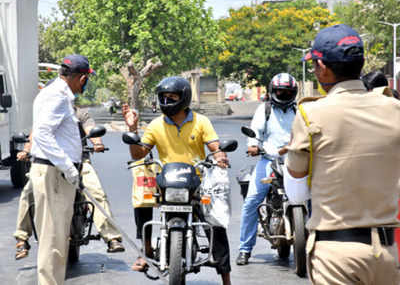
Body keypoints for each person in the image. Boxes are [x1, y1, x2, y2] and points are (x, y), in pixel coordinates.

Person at [284, 24, 400, 284]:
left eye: (314, 66)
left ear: (323, 68)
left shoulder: (311, 113)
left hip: (335, 254)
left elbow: (296, 183)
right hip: (387, 252)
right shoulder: (395, 109)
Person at [122, 76, 232, 285]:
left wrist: (220, 157)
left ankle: (226, 277)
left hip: (197, 183)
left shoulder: (201, 122)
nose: (166, 101)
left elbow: (215, 147)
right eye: (163, 97)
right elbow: (139, 154)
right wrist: (132, 129)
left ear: (184, 98)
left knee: (216, 223)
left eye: (171, 97)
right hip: (166, 183)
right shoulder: (155, 125)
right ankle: (146, 251)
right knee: (142, 197)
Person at [14, 104, 124, 260]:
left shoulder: (80, 113)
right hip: (49, 164)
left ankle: (112, 238)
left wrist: (97, 144)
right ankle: (22, 239)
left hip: (78, 162)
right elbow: (34, 135)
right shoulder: (46, 112)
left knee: (96, 192)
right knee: (28, 192)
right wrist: (26, 150)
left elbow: (90, 129)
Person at [30, 54, 95, 285]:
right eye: (86, 79)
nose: (86, 84)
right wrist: (68, 167)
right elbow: (42, 135)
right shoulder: (57, 96)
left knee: (58, 239)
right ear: (80, 78)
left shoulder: (56, 94)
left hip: (55, 172)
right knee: (53, 239)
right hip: (54, 173)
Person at [236, 73, 297, 265]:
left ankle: (315, 246)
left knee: (311, 199)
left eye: (287, 91)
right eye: (279, 91)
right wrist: (253, 146)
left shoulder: (299, 111)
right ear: (272, 91)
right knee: (252, 201)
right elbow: (255, 132)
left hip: (295, 161)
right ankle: (245, 249)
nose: (283, 94)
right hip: (268, 160)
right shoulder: (265, 110)